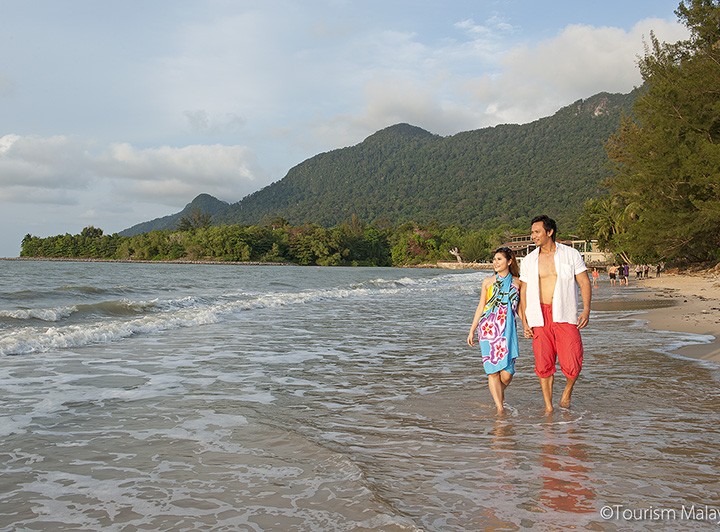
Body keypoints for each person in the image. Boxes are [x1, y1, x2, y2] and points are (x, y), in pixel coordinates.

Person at [520, 215, 592, 414]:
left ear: (549, 232)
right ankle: (549, 407)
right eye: (532, 232)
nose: (532, 236)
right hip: (539, 315)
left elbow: (584, 282)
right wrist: (525, 321)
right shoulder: (529, 260)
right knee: (543, 363)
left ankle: (567, 391)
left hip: (565, 312)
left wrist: (586, 309)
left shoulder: (571, 255)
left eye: (537, 232)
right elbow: (524, 291)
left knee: (573, 360)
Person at [467, 247, 522, 414]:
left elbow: (521, 309)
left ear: (509, 261)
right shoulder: (487, 282)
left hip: (508, 331)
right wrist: (472, 329)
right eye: (494, 259)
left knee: (507, 375)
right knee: (492, 372)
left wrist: (527, 326)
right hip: (488, 329)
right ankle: (500, 408)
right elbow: (481, 306)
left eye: (499, 259)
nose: (495, 263)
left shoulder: (518, 283)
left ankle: (498, 392)